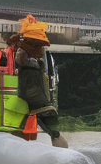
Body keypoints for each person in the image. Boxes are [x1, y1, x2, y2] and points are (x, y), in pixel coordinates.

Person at [13, 15, 68, 148]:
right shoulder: (28, 56)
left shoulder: (34, 57)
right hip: (33, 101)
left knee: (54, 133)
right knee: (53, 133)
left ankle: (65, 156)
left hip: (34, 101)